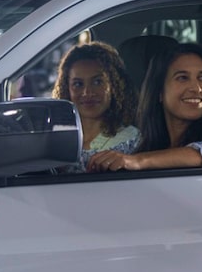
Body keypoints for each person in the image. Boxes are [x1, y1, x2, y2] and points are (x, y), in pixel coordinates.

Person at [88, 43, 202, 171]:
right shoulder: (139, 141)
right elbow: (99, 158)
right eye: (182, 78)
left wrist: (136, 162)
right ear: (159, 92)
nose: (196, 88)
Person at [52, 41, 140, 173]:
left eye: (97, 82)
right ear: (67, 89)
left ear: (113, 85)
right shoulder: (53, 136)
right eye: (78, 84)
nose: (87, 93)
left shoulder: (131, 139)